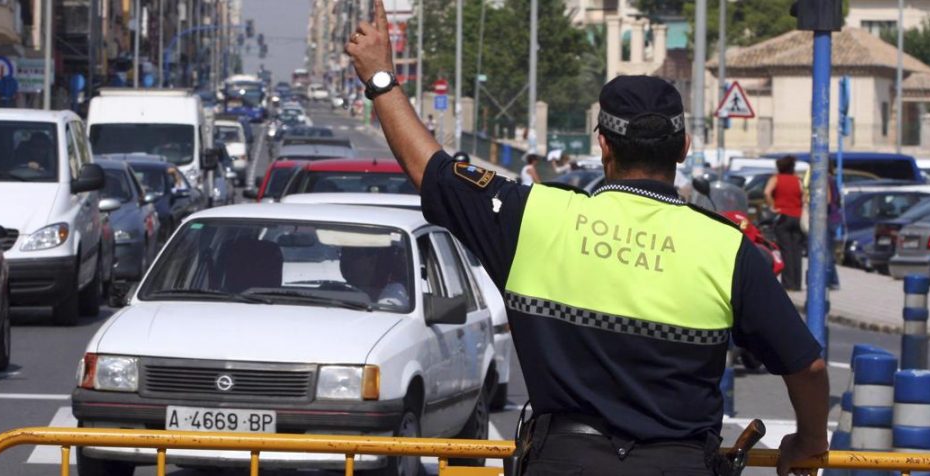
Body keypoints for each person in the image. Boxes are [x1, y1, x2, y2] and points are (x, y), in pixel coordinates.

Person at [345, 4, 829, 474]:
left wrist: (381, 78)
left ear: (603, 144)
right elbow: (806, 368)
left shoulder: (536, 217)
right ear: (683, 147)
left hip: (563, 461)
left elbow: (431, 170)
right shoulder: (726, 249)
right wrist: (809, 441)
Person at [764, 155, 805, 291]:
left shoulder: (776, 179)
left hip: (783, 216)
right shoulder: (798, 180)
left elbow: (767, 192)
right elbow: (804, 196)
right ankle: (798, 283)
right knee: (797, 251)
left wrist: (772, 206)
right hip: (798, 217)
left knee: (786, 250)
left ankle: (788, 284)